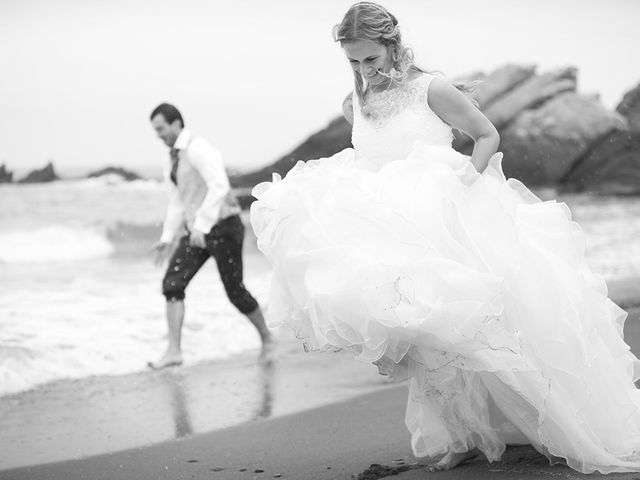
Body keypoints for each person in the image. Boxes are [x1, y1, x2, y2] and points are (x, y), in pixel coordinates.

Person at [249, 2, 640, 474]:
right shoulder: (354, 99)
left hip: (444, 215)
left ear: (392, 46)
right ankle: (461, 434)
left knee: (487, 330)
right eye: (353, 62)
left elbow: (487, 135)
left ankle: (543, 421)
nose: (363, 70)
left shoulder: (429, 88)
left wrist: (466, 184)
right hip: (385, 225)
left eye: (370, 59)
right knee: (418, 335)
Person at [149, 103, 273, 369]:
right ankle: (173, 351)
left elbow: (219, 186)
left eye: (161, 129)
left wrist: (201, 226)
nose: (158, 135)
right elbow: (177, 201)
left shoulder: (197, 149)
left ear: (176, 124)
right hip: (196, 231)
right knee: (172, 283)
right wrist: (167, 237)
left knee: (235, 292)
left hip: (223, 227)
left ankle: (267, 338)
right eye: (155, 131)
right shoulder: (172, 159)